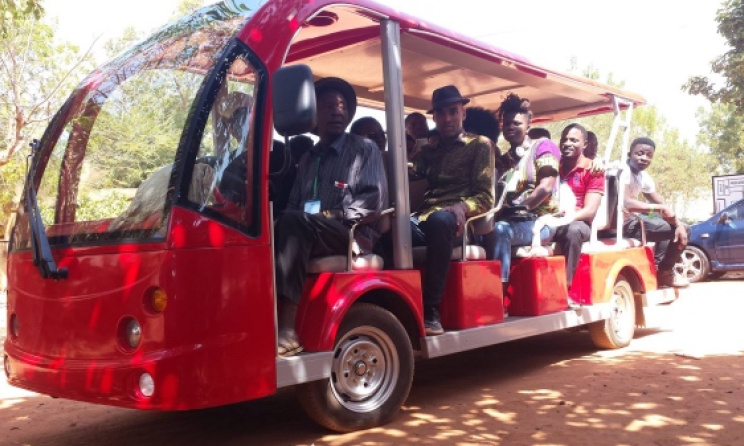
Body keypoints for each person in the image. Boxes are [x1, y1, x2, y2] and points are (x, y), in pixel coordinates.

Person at [274, 77, 388, 356]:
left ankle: (287, 329)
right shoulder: (309, 158)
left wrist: (335, 214)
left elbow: (373, 200)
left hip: (350, 234)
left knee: (292, 223)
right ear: (314, 115)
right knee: (273, 226)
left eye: (341, 106)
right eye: (327, 106)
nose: (337, 110)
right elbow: (294, 203)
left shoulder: (364, 149)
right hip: (310, 230)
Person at [408, 85, 495, 335]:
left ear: (463, 114)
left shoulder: (480, 145)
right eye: (441, 113)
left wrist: (461, 207)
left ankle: (431, 311)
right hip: (424, 218)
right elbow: (412, 173)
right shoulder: (429, 151)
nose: (447, 119)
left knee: (440, 222)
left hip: (459, 223)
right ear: (434, 118)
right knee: (389, 227)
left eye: (453, 112)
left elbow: (485, 197)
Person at [492, 93, 561, 291]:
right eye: (506, 124)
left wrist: (522, 207)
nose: (510, 128)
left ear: (528, 126)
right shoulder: (504, 160)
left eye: (516, 123)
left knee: (500, 231)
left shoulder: (543, 147)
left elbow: (546, 186)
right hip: (511, 220)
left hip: (541, 221)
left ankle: (499, 293)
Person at [620, 137, 689, 288]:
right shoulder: (622, 171)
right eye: (639, 153)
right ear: (629, 154)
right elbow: (627, 203)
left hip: (634, 221)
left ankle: (664, 271)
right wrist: (658, 209)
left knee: (681, 229)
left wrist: (677, 223)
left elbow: (660, 203)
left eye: (649, 155)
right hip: (621, 225)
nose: (644, 158)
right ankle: (663, 271)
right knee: (665, 225)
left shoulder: (643, 177)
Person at [554, 123, 604, 297]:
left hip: (578, 221)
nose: (567, 143)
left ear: (585, 144)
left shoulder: (593, 169)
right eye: (564, 139)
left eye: (574, 140)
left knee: (573, 231)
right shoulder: (552, 165)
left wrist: (565, 219)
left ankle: (565, 289)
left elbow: (590, 210)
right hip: (551, 218)